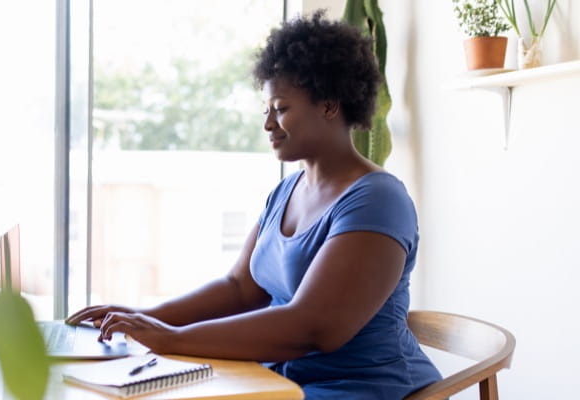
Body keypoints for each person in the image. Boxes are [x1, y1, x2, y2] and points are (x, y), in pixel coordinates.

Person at [67, 11, 441, 399]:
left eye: (280, 109)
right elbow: (241, 288)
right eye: (266, 110)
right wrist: (142, 319)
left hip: (358, 388)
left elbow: (314, 327)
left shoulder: (378, 199)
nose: (268, 124)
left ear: (330, 105)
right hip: (279, 382)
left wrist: (174, 339)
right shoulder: (286, 191)